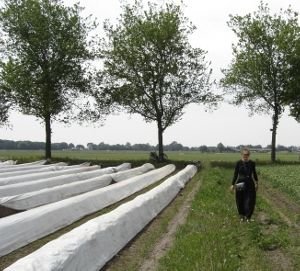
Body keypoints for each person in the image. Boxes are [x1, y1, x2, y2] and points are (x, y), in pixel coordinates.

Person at [231, 147, 258, 222]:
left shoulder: (252, 163)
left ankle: (248, 217)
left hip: (250, 183)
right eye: (244, 154)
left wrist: (256, 182)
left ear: (249, 155)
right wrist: (232, 184)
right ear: (241, 154)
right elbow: (235, 174)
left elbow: (254, 174)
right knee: (240, 199)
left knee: (250, 200)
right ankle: (242, 215)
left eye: (247, 154)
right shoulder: (238, 163)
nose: (245, 156)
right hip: (240, 183)